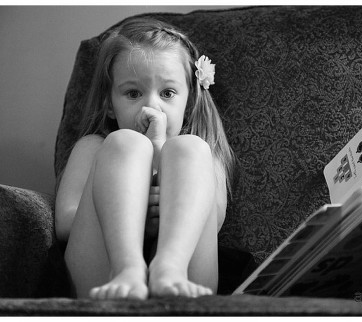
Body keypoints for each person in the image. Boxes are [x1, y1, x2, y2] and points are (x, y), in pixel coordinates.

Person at [55, 17, 234, 300]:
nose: (151, 105)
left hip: (187, 276)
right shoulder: (94, 147)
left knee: (190, 149)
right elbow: (65, 222)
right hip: (103, 275)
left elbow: (215, 218)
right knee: (124, 144)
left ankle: (170, 267)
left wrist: (161, 150)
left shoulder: (204, 152)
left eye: (167, 93)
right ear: (109, 105)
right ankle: (127, 268)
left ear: (189, 103)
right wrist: (134, 212)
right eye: (133, 93)